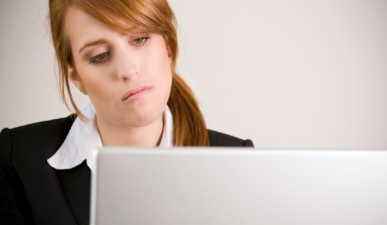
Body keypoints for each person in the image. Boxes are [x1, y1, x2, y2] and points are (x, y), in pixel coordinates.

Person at [0, 0, 254, 224]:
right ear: (76, 76)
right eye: (100, 56)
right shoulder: (16, 160)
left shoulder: (238, 163)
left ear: (168, 44)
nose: (128, 70)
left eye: (140, 39)